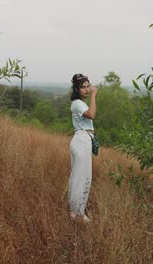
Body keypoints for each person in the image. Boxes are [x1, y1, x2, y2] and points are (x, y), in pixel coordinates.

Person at [68, 73, 98, 223]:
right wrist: (93, 95)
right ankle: (78, 214)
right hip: (81, 140)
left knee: (77, 176)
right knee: (82, 177)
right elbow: (92, 114)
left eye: (88, 86)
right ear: (76, 89)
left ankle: (75, 212)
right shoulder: (78, 104)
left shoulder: (78, 103)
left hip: (82, 140)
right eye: (83, 87)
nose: (86, 89)